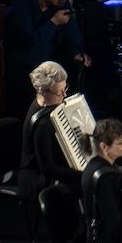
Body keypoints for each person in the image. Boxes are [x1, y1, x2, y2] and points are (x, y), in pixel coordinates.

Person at [3, 0, 90, 117]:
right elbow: (29, 41)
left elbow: (71, 32)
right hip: (24, 65)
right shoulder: (22, 4)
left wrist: (76, 52)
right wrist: (54, 22)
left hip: (51, 62)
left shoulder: (62, 3)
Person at [17, 61, 82, 198]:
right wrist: (82, 174)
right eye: (60, 92)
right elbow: (48, 169)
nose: (64, 95)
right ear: (43, 91)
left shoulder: (48, 105)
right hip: (36, 178)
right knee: (88, 184)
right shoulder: (43, 123)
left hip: (49, 170)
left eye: (65, 89)